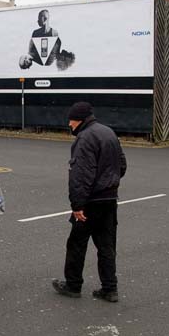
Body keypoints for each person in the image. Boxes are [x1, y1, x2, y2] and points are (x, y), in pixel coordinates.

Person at [52, 102, 127, 303]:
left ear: (79, 119)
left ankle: (73, 285)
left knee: (77, 243)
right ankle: (110, 289)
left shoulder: (84, 138)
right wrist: (110, 183)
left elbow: (80, 175)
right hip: (110, 198)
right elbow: (122, 165)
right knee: (107, 246)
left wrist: (77, 205)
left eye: (71, 120)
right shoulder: (109, 132)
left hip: (91, 200)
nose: (69, 124)